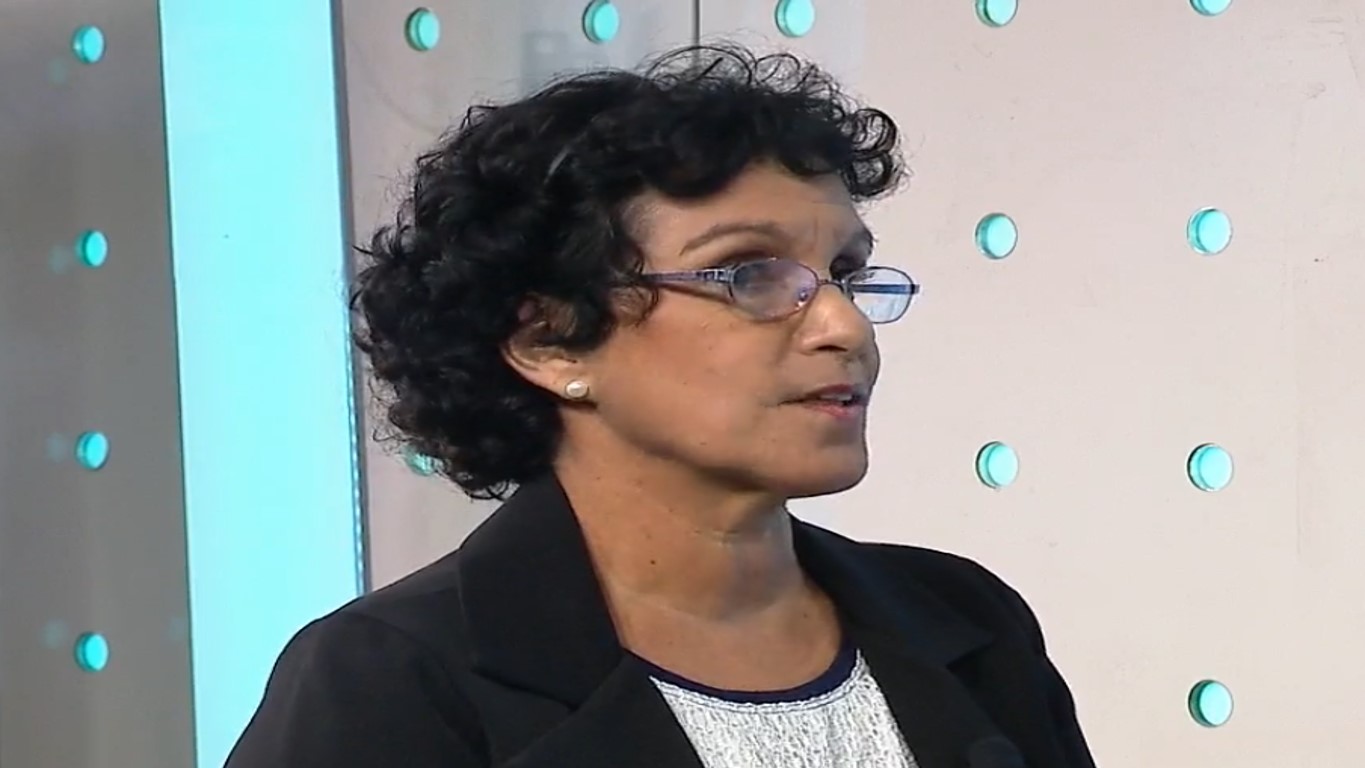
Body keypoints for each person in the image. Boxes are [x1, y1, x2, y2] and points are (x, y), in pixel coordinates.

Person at [225, 43, 1096, 768]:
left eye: (843, 274)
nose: (843, 326)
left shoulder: (965, 619)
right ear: (549, 341)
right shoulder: (390, 679)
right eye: (751, 274)